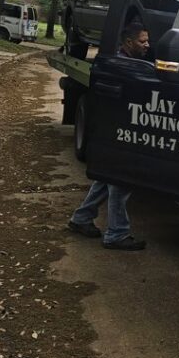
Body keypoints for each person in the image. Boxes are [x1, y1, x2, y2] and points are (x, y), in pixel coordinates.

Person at [67, 23, 151, 251]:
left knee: (106, 180)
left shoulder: (125, 62)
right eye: (143, 41)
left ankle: (81, 218)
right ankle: (116, 233)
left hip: (114, 131)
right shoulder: (123, 66)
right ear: (129, 42)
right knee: (121, 182)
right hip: (118, 133)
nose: (147, 45)